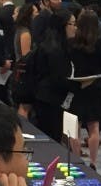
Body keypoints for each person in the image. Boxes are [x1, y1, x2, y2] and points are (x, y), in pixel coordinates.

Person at [69, 9, 101, 169]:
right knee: (94, 126)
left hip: (77, 85)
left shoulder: (73, 39)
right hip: (97, 85)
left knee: (75, 127)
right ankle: (93, 161)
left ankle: (76, 160)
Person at [32, 9, 77, 144]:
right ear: (62, 26)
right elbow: (58, 78)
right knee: (51, 139)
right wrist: (78, 84)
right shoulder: (55, 49)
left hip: (48, 98)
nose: (75, 28)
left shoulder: (53, 44)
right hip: (51, 100)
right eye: (72, 24)